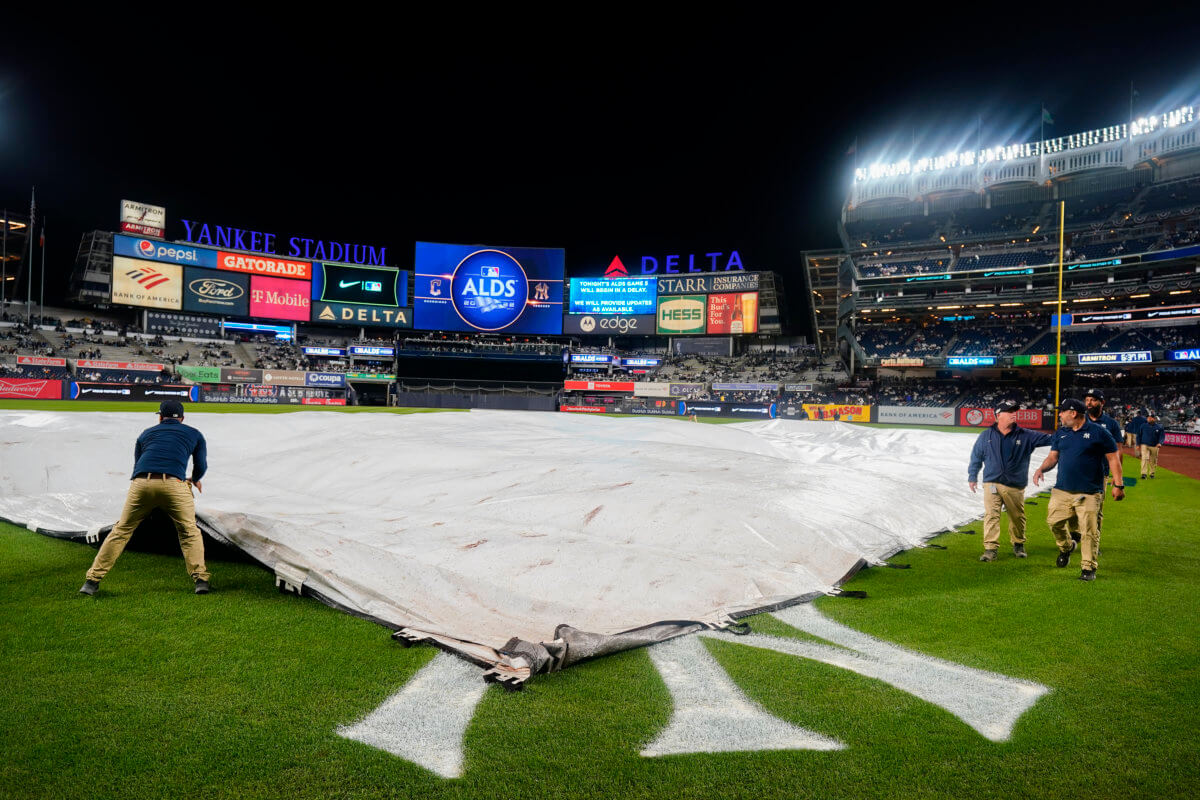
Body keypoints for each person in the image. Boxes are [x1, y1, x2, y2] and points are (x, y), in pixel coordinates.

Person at [79, 400, 211, 596]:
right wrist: (196, 480)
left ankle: (91, 581)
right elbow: (201, 466)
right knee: (189, 532)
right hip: (174, 484)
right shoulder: (194, 434)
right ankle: (200, 580)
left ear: (160, 417)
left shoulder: (146, 433)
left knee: (121, 531)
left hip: (141, 483)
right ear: (182, 419)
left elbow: (137, 466)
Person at [1033, 398, 1125, 582]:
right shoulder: (1061, 433)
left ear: (1073, 413)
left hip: (1089, 491)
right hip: (1062, 490)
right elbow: (1053, 457)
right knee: (1054, 523)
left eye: (1062, 411)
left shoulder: (1099, 432)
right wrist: (1041, 469)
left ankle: (1088, 568)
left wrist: (1118, 484)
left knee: (1089, 531)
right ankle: (1067, 547)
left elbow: (1113, 459)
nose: (1059, 414)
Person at [967, 400, 1053, 561]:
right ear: (999, 415)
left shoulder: (1026, 435)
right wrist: (972, 476)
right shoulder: (986, 435)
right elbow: (976, 456)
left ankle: (1018, 543)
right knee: (991, 515)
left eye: (1015, 411)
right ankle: (990, 548)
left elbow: (1052, 440)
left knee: (1016, 516)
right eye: (1009, 411)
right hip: (991, 483)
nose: (1014, 413)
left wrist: (1070, 434)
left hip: (1014, 485)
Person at [1138, 413, 1165, 479]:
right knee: (1144, 458)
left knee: (1153, 460)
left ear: (1154, 419)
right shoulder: (1143, 426)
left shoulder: (1159, 427)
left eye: (1150, 418)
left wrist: (1160, 443)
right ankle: (1143, 474)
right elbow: (1139, 435)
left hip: (1155, 445)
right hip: (1145, 444)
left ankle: (1152, 473)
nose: (1148, 419)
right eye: (1148, 418)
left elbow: (1162, 436)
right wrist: (1138, 444)